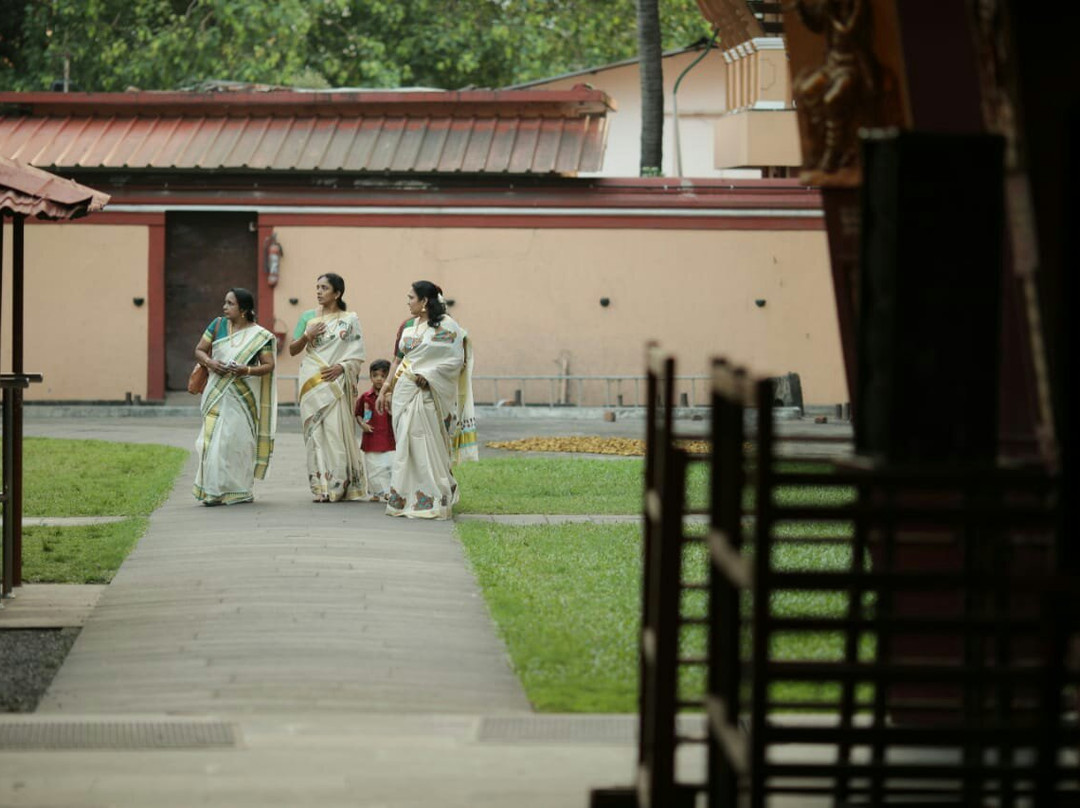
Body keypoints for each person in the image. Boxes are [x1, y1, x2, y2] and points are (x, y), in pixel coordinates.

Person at [376, 281, 477, 519]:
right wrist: (385, 388)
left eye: (411, 297)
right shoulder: (408, 326)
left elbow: (455, 361)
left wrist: (429, 376)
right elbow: (397, 360)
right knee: (405, 444)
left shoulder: (448, 326)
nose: (407, 301)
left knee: (426, 444)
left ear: (424, 302)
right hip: (404, 391)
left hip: (428, 393)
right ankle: (404, 497)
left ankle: (433, 498)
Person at [192, 288, 277, 505]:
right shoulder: (218, 325)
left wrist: (246, 370)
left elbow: (268, 365)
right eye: (225, 302)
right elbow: (200, 350)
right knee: (210, 442)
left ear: (244, 309)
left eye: (230, 303)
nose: (225, 307)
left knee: (236, 442)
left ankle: (239, 490)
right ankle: (212, 491)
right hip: (216, 393)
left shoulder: (260, 336)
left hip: (243, 398)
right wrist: (210, 362)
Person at [290, 273, 367, 502]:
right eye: (317, 287)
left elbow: (357, 353)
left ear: (337, 293)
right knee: (315, 435)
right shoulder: (307, 317)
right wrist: (307, 335)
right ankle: (321, 487)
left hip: (336, 383)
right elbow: (293, 350)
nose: (319, 291)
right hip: (311, 383)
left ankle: (338, 484)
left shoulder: (350, 319)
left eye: (324, 288)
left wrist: (342, 367)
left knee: (335, 433)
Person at [355, 359, 396, 502]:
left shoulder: (393, 397)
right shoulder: (365, 397)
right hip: (371, 438)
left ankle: (388, 491)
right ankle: (377, 492)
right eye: (375, 375)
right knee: (372, 466)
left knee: (389, 465)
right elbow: (358, 413)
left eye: (383, 376)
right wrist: (362, 424)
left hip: (388, 437)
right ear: (370, 376)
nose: (379, 379)